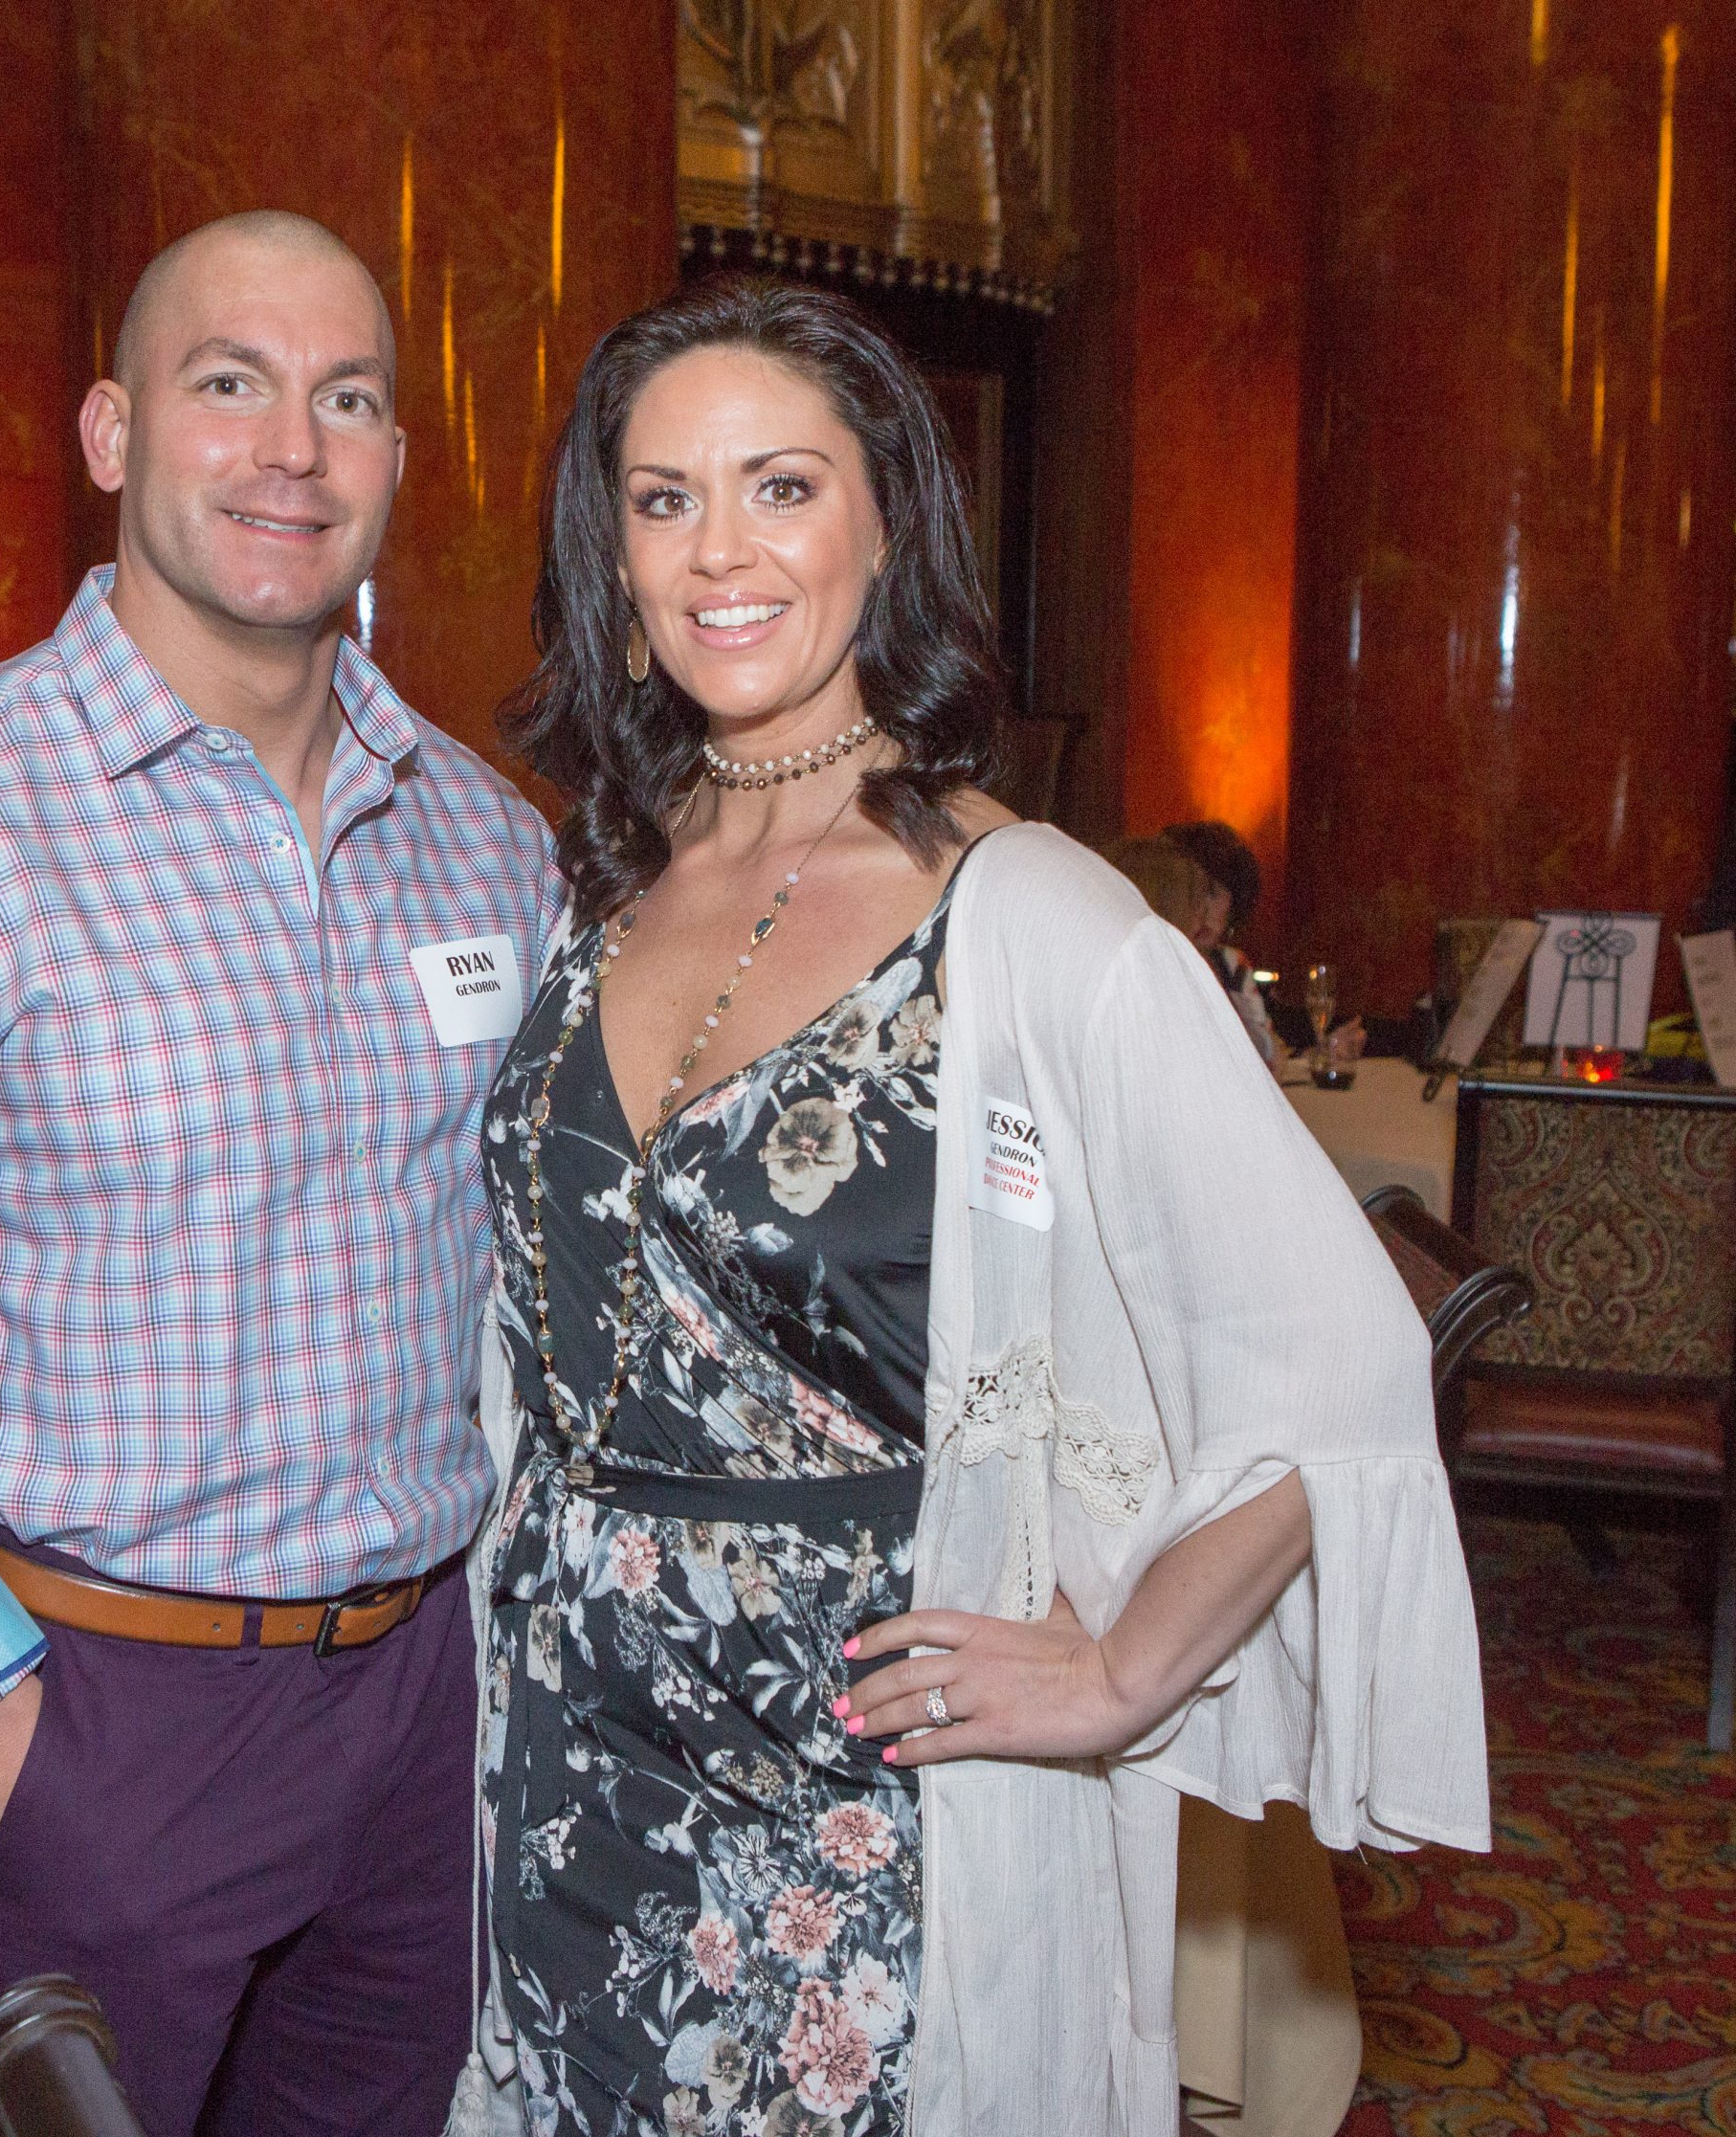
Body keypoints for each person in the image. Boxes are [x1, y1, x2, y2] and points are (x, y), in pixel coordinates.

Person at [463, 277, 1487, 2135]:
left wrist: (1120, 1669)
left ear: (885, 526)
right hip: (563, 1745)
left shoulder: (1034, 921)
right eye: (663, 497)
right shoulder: (591, 890)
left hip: (865, 1773)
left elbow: (1344, 1356)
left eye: (780, 487)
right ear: (609, 553)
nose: (718, 551)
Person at [0, 211, 559, 2134]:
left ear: (396, 461)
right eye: (228, 383)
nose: (292, 449)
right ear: (109, 432)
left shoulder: (490, 846)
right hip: (98, 1701)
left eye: (347, 399)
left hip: (423, 1709)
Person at [1162, 818, 1281, 1063]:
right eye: (1191, 894)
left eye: (1213, 894)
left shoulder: (1231, 965)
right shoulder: (1159, 963)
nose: (1201, 909)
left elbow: (1268, 1050)